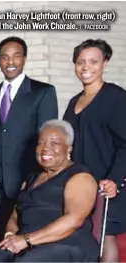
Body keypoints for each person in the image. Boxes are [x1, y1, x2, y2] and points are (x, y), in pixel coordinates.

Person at [0, 119, 99, 262]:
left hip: (67, 244)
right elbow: (16, 212)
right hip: (30, 243)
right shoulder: (32, 177)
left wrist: (27, 240)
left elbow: (73, 220)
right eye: (41, 142)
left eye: (54, 143)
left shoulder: (80, 176)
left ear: (69, 148)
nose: (45, 148)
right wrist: (10, 234)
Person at [0, 36, 58, 242]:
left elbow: (47, 142)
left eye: (16, 56)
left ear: (24, 59)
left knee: (24, 235)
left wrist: (38, 178)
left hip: (27, 178)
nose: (10, 62)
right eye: (4, 57)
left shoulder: (43, 93)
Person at [63, 39, 126, 262]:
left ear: (105, 64)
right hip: (82, 184)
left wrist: (114, 180)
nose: (85, 67)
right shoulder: (73, 102)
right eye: (80, 62)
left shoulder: (116, 97)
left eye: (93, 61)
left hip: (108, 184)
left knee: (105, 237)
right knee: (85, 237)